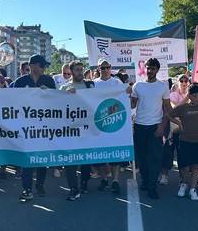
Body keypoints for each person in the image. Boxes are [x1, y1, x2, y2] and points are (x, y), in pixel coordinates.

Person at [12, 55, 56, 201]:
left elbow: (57, 101)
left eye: (44, 66)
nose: (44, 68)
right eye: (41, 65)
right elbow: (9, 101)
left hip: (44, 126)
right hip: (25, 127)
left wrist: (49, 93)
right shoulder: (20, 82)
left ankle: (40, 185)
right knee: (27, 159)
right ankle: (27, 188)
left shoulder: (49, 80)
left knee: (42, 158)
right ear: (33, 66)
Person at [161, 84, 198, 201]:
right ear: (189, 96)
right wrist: (178, 123)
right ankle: (184, 184)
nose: (197, 98)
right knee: (185, 166)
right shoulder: (183, 107)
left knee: (197, 166)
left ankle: (193, 189)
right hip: (185, 140)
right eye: (194, 96)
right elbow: (168, 115)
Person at [131, 57, 171, 199]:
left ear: (157, 70)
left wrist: (162, 126)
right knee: (142, 158)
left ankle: (152, 187)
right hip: (140, 126)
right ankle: (146, 180)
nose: (150, 71)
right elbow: (132, 105)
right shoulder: (138, 86)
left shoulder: (163, 86)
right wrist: (125, 93)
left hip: (155, 127)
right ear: (145, 68)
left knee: (154, 158)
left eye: (153, 68)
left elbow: (167, 108)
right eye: (148, 68)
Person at [59, 61, 95, 200]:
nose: (80, 72)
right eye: (77, 70)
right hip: (70, 129)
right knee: (70, 161)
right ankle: (73, 188)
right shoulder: (64, 87)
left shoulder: (89, 85)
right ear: (72, 72)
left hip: (86, 128)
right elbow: (56, 104)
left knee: (85, 158)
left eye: (81, 69)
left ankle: (84, 182)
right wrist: (65, 95)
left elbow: (98, 100)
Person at [94, 58, 126, 194]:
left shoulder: (117, 82)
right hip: (99, 123)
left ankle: (115, 181)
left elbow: (122, 99)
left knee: (114, 155)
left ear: (111, 68)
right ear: (98, 69)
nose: (105, 70)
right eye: (102, 67)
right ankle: (104, 179)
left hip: (114, 122)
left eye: (107, 67)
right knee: (100, 155)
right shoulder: (93, 84)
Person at [159, 74, 190, 185]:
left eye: (186, 80)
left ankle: (184, 178)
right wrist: (187, 99)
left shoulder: (193, 95)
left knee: (184, 154)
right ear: (178, 82)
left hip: (186, 129)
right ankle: (164, 176)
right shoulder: (173, 95)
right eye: (181, 80)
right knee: (168, 152)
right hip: (172, 129)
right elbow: (175, 109)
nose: (184, 83)